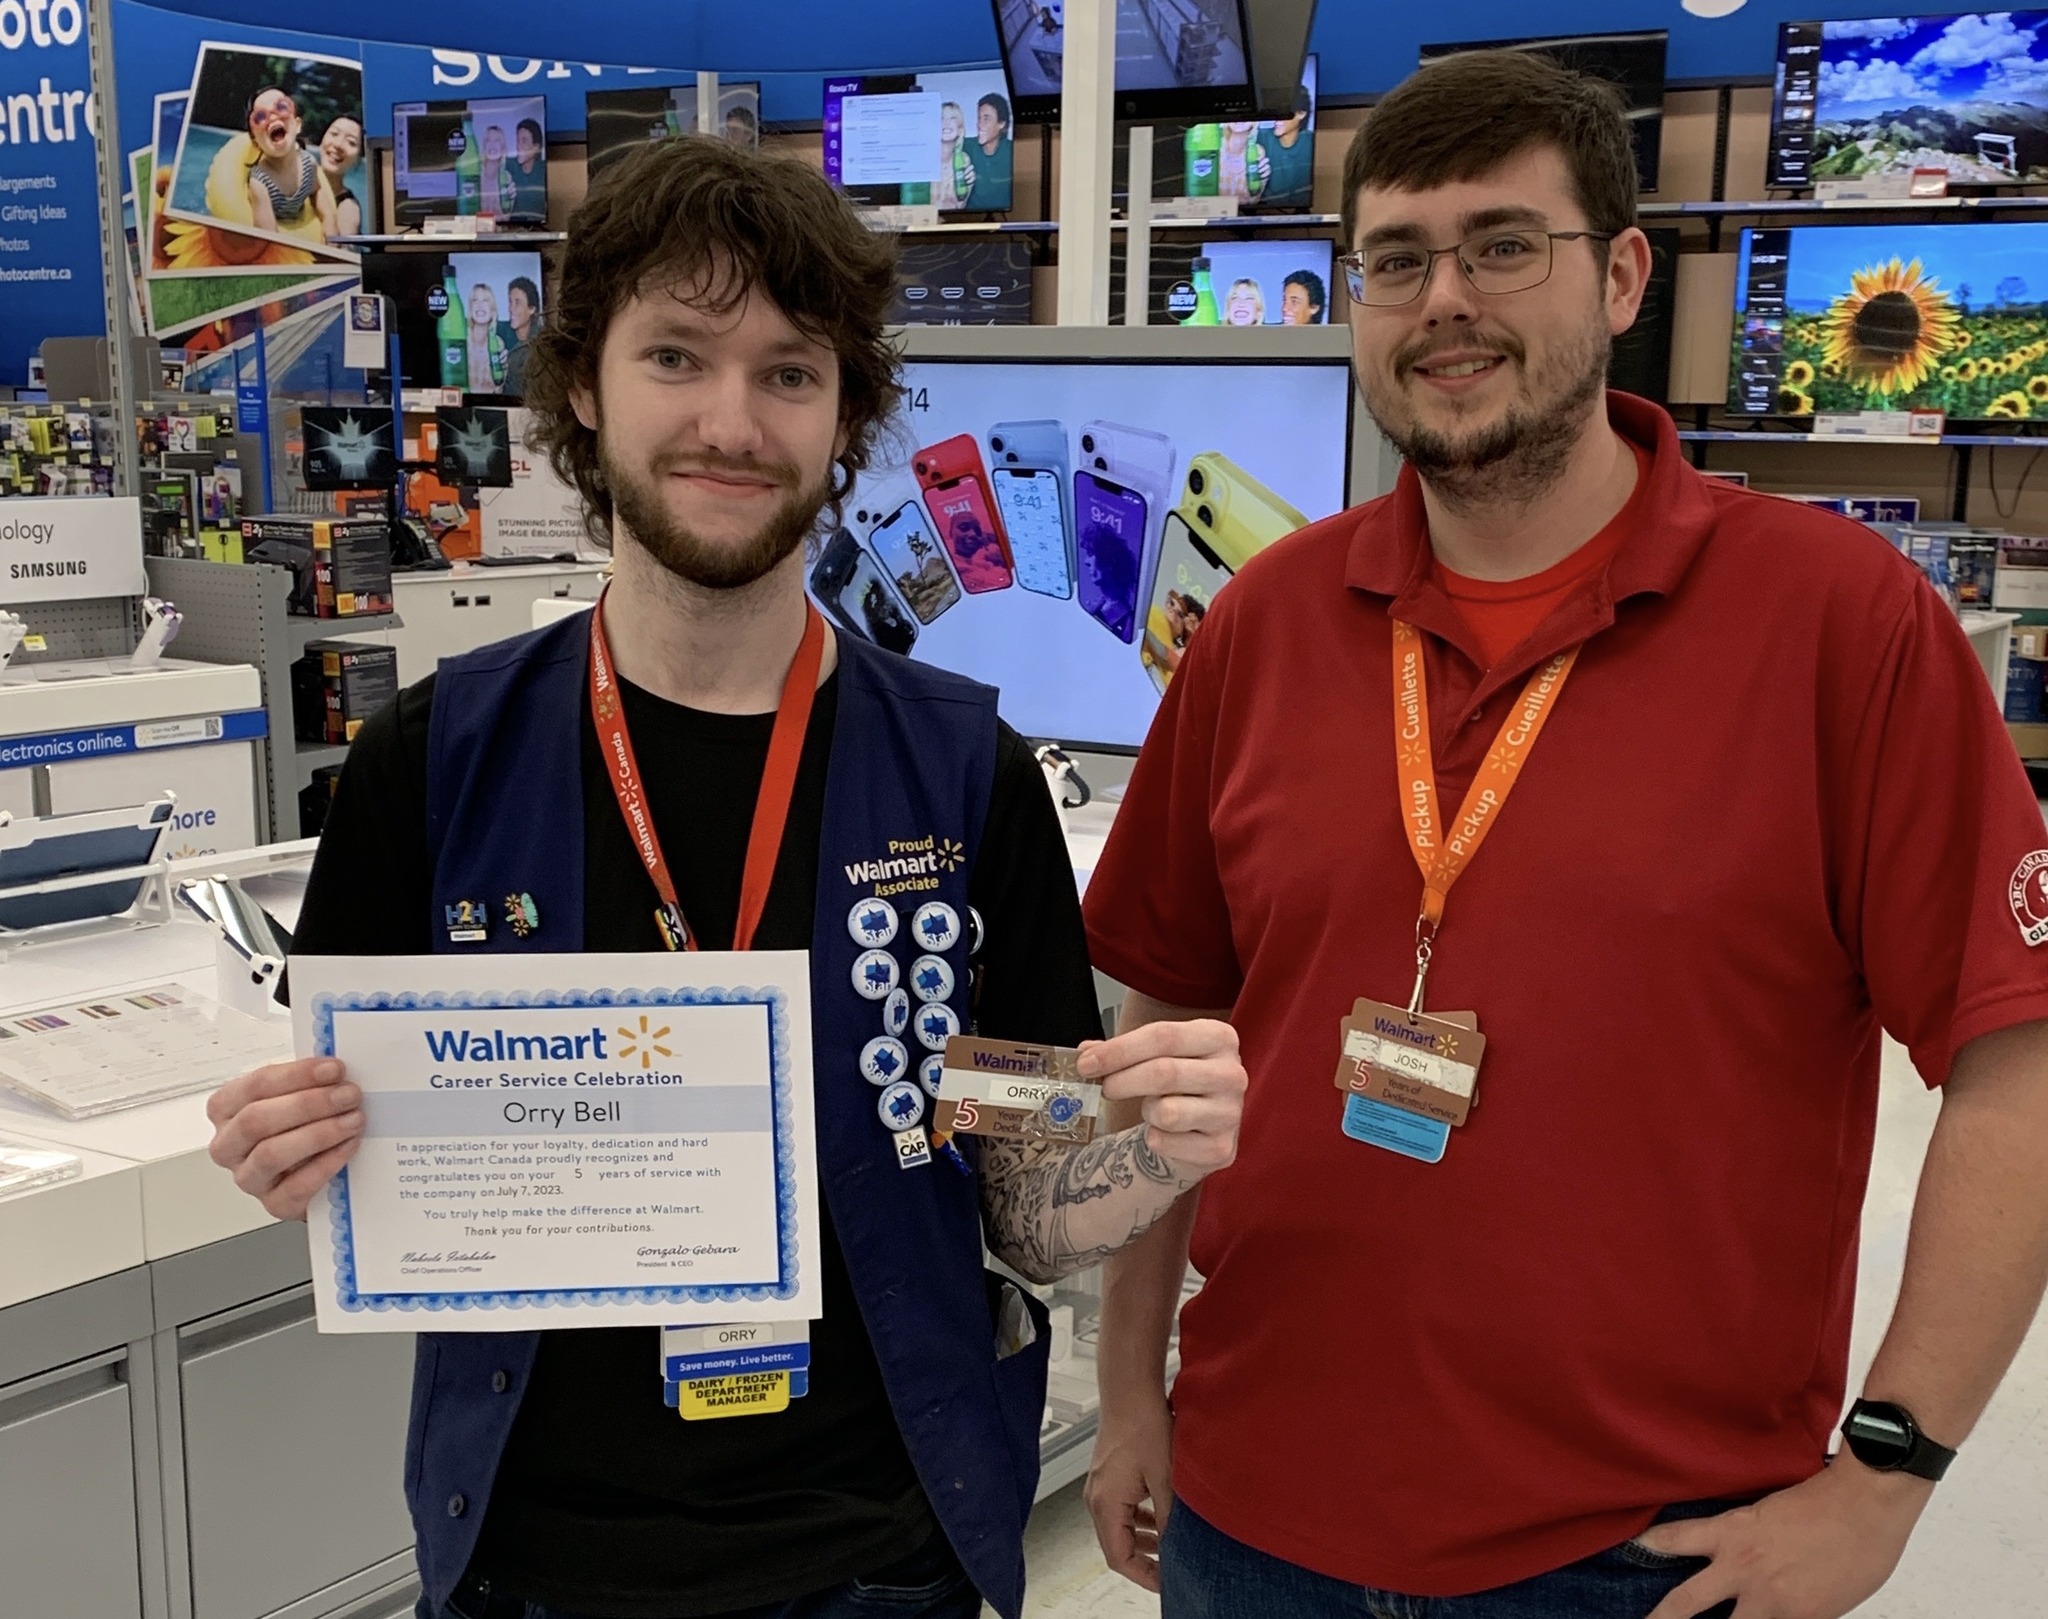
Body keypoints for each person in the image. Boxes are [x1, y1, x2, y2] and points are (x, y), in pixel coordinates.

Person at [204, 135, 1246, 1619]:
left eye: (789, 372)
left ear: (845, 415)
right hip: (533, 1564)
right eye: (676, 357)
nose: (730, 422)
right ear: (584, 383)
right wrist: (288, 1153)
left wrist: (1152, 1151)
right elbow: (357, 1155)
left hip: (878, 1557)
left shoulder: (963, 775)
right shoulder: (434, 764)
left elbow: (1021, 1208)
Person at [1083, 48, 2048, 1619]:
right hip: (1255, 1515)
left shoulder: (1841, 623)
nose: (1445, 301)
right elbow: (1171, 1027)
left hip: (1641, 1551)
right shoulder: (1265, 618)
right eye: (1398, 260)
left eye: (1503, 245)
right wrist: (1132, 1381)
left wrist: (1888, 1472)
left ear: (1620, 278)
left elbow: (2021, 1060)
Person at [240, 88, 334, 241]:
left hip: (302, 223)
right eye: (260, 116)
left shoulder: (308, 163)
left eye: (281, 107)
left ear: (297, 125)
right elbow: (267, 236)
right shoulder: (259, 181)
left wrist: (329, 220)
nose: (272, 117)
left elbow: (317, 191)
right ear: (255, 142)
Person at [1249, 87, 1314, 209]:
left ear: (1301, 113)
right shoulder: (1261, 138)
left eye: (1284, 112)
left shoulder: (1311, 142)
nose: (1277, 118)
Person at [962, 92, 1012, 212]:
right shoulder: (966, 146)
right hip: (969, 219)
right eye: (979, 118)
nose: (979, 124)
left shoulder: (1012, 151)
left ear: (1001, 123)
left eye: (986, 118)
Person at [316, 114, 364, 237]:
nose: (338, 144)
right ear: (321, 140)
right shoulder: (296, 184)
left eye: (351, 142)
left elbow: (339, 249)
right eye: (334, 134)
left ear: (358, 160)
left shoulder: (348, 208)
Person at [502, 274, 543, 397]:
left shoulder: (540, 345)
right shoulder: (501, 332)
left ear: (532, 309)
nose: (511, 308)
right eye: (510, 302)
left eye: (517, 303)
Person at [463, 283, 508, 393]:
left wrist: (505, 367)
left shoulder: (498, 343)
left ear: (493, 312)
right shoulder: (461, 341)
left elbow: (499, 388)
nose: (480, 305)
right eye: (475, 300)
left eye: (485, 300)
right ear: (470, 310)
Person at [935, 100, 975, 208]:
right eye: (941, 118)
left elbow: (959, 207)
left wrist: (969, 186)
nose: (946, 122)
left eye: (952, 118)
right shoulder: (923, 159)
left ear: (960, 130)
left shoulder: (964, 159)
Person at [507, 118, 548, 221]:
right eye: (518, 141)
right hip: (510, 228)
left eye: (524, 141)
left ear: (536, 148)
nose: (518, 146)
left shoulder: (545, 170)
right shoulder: (509, 165)